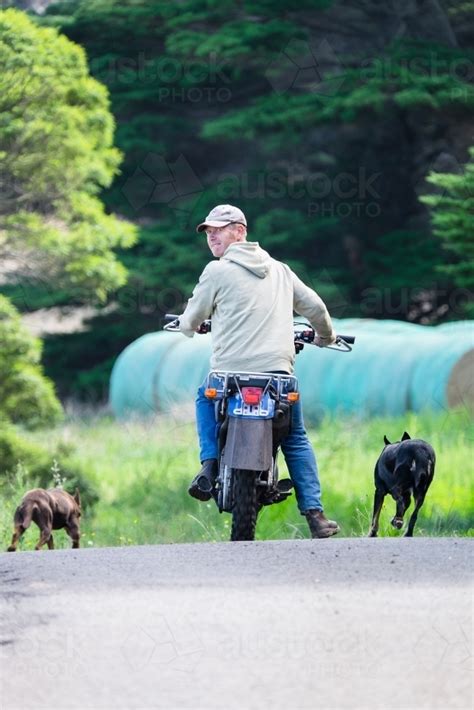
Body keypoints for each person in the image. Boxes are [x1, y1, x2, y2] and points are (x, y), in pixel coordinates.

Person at [178, 204, 339, 538]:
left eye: (219, 230)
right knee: (295, 437)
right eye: (208, 232)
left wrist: (188, 325)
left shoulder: (216, 271)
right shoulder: (281, 271)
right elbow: (317, 308)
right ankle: (315, 515)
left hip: (227, 380)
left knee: (202, 396)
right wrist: (326, 337)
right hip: (278, 380)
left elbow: (191, 320)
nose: (212, 237)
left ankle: (208, 465)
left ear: (240, 230)